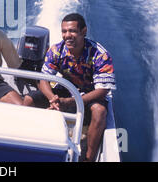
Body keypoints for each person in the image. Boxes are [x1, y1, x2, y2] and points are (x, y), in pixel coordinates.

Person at [23, 13, 116, 162]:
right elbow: (44, 79)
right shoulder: (56, 51)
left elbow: (102, 90)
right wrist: (52, 99)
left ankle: (88, 158)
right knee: (28, 99)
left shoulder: (100, 55)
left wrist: (71, 101)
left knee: (100, 111)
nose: (68, 35)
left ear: (83, 31)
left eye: (72, 31)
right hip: (66, 90)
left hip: (90, 95)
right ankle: (27, 144)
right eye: (64, 31)